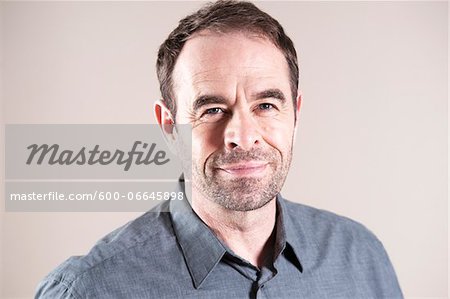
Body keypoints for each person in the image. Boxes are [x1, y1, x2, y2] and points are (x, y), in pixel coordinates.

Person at [36, 1, 403, 298]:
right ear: (170, 126)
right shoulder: (86, 290)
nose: (242, 136)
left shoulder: (361, 257)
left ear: (296, 114)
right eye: (212, 110)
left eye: (266, 105)